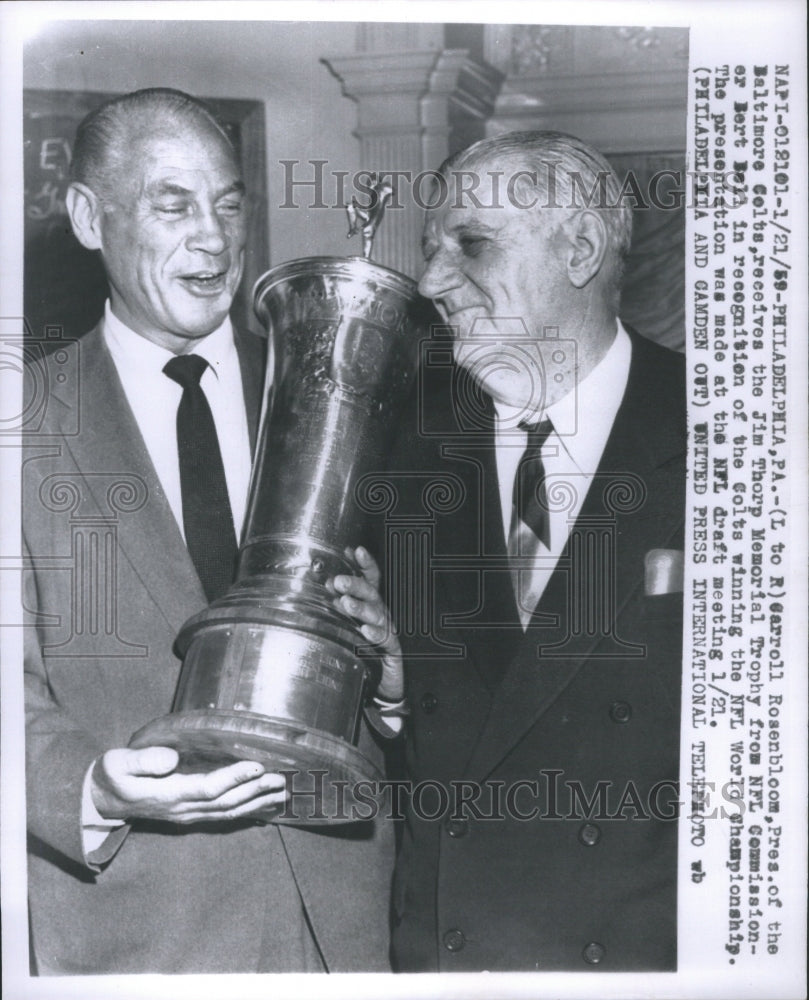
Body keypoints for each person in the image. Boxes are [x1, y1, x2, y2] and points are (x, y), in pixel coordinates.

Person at [22, 87, 400, 975]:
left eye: (229, 205)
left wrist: (390, 679)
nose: (214, 238)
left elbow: (442, 672)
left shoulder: (336, 379)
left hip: (339, 935)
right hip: (141, 939)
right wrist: (92, 787)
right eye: (173, 203)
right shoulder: (21, 422)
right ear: (87, 216)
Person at [384, 131, 686, 971]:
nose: (430, 282)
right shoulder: (402, 452)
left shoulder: (733, 439)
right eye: (430, 248)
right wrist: (388, 698)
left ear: (581, 250)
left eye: (470, 244)